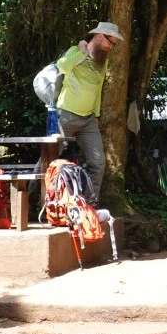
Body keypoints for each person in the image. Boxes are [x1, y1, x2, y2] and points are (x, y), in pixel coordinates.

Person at [54, 21, 123, 204]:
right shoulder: (75, 51)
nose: (111, 46)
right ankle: (33, 200)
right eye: (110, 42)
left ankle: (89, 206)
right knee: (49, 158)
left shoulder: (103, 62)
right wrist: (81, 54)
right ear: (99, 35)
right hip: (66, 114)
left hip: (89, 120)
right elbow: (62, 67)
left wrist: (96, 115)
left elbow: (98, 90)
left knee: (98, 163)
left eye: (114, 44)